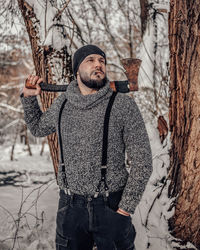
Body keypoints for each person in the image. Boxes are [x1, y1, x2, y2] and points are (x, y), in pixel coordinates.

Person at [20, 44, 152, 250]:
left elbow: (142, 162)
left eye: (102, 61)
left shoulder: (123, 105)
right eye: (90, 60)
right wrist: (29, 98)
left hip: (111, 205)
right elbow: (37, 128)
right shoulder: (62, 103)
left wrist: (125, 209)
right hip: (70, 207)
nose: (98, 65)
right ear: (76, 70)